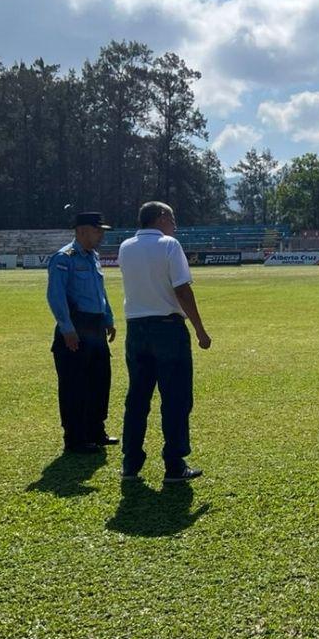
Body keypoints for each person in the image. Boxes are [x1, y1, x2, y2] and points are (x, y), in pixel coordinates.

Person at [118, 201, 212, 483]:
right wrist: (200, 329)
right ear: (160, 218)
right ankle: (174, 463)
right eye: (172, 218)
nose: (174, 224)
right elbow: (181, 289)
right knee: (175, 398)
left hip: (136, 328)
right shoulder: (170, 245)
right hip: (168, 328)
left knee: (137, 398)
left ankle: (130, 462)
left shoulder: (125, 247)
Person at [46, 211, 117, 454]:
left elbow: (101, 292)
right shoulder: (64, 258)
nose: (101, 235)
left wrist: (108, 318)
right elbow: (56, 296)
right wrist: (67, 328)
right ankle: (75, 438)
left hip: (95, 326)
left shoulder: (93, 257)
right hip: (76, 327)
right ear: (82, 230)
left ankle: (96, 431)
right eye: (98, 230)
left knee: (99, 381)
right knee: (75, 385)